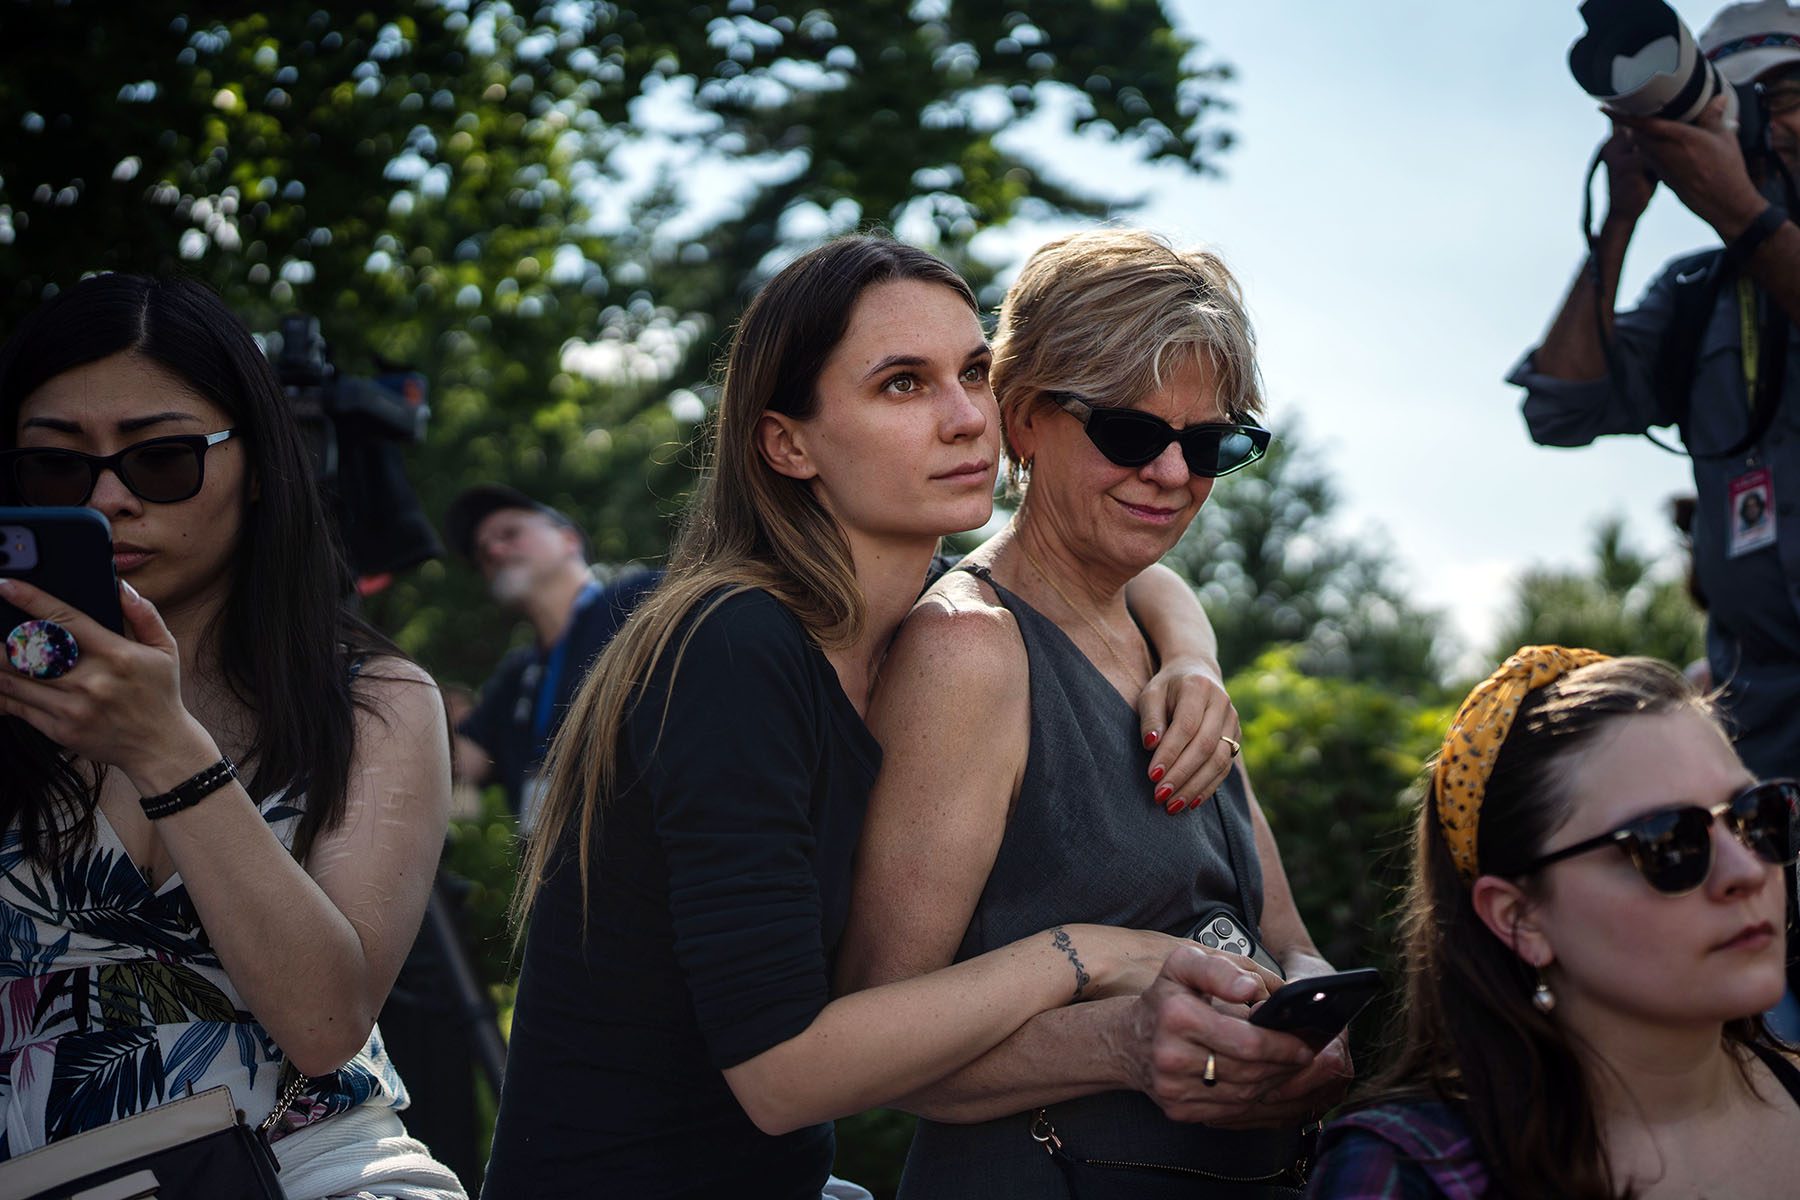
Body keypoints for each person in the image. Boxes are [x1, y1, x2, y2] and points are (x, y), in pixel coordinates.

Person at [481, 234, 1258, 1199]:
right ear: (788, 443)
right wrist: (1088, 956)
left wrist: (1190, 653)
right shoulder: (735, 645)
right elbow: (779, 1077)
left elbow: (1118, 585)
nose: (967, 417)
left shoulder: (924, 617)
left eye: (975, 372)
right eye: (902, 385)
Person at [839, 228, 1351, 1197]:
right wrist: (1117, 1044)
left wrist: (1309, 1022)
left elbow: (1281, 932)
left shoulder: (1168, 643)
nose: (1172, 475)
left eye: (1211, 445)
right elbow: (872, 1028)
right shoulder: (970, 651)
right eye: (1130, 433)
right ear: (1023, 420)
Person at [0, 275, 465, 1199]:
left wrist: (168, 750)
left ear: (258, 466)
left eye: (161, 459)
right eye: (57, 465)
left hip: (316, 1174)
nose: (107, 498)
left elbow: (328, 1023)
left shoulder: (372, 700)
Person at [1306, 647, 1800, 1199]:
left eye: (1756, 816)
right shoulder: (1406, 1175)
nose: (1747, 870)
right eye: (1668, 842)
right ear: (1520, 919)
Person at [1510, 0, 1800, 782]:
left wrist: (1742, 213)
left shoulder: (1745, 236)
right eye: (1750, 107)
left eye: (1792, 96)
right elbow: (1559, 407)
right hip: (1765, 760)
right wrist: (1622, 219)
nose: (1774, 128)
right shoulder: (1699, 292)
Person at [444, 483, 659, 829]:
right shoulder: (517, 676)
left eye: (510, 533)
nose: (495, 550)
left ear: (568, 539)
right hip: (559, 875)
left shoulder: (641, 603)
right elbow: (459, 760)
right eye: (482, 553)